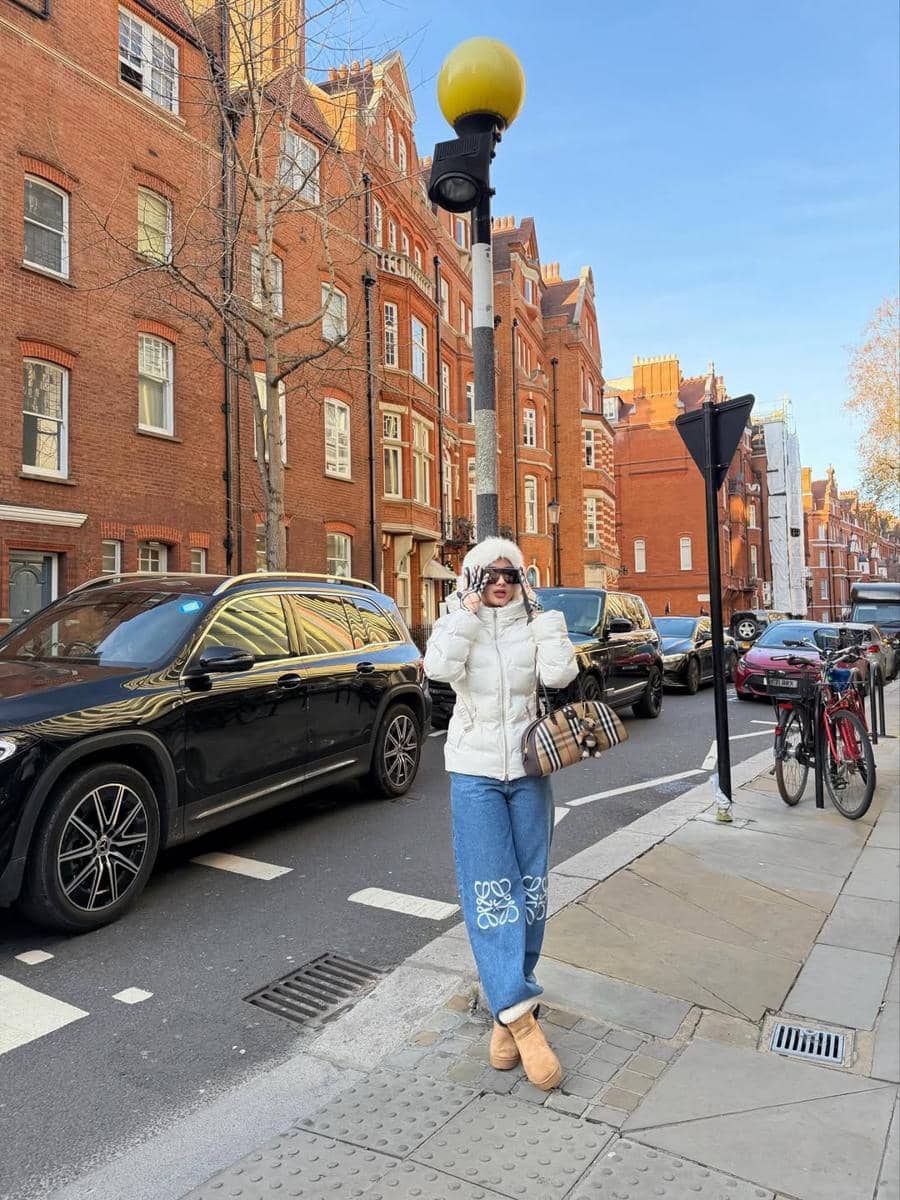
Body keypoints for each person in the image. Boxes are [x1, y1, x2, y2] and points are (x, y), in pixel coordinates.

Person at [424, 536, 578, 1090]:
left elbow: (559, 676)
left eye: (510, 575)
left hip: (530, 770)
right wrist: (464, 611)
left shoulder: (534, 622)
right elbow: (439, 669)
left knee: (531, 890)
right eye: (490, 574)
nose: (501, 583)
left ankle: (504, 1015)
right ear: (470, 577)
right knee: (491, 891)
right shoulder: (454, 622)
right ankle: (523, 1016)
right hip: (474, 774)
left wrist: (542, 616)